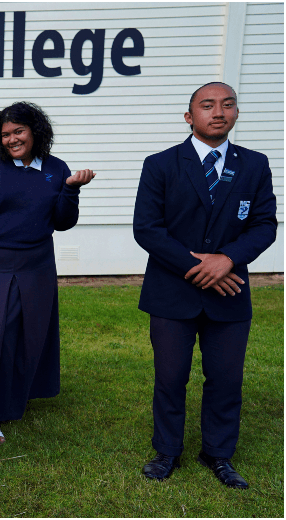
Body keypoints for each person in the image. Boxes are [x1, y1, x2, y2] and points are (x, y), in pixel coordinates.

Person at [133, 82, 277, 488]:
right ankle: (167, 451)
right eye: (207, 105)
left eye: (227, 105)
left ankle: (218, 453)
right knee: (170, 376)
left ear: (236, 113)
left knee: (227, 378)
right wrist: (199, 265)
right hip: (172, 291)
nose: (219, 112)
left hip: (229, 292)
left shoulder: (254, 164)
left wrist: (228, 259)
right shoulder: (160, 164)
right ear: (189, 116)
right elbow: (147, 228)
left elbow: (265, 224)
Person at [0, 102, 95, 443]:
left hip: (37, 263)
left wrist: (71, 189)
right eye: (5, 134)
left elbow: (63, 222)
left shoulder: (55, 168)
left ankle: (16, 398)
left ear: (35, 132)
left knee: (30, 333)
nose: (11, 139)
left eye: (18, 131)